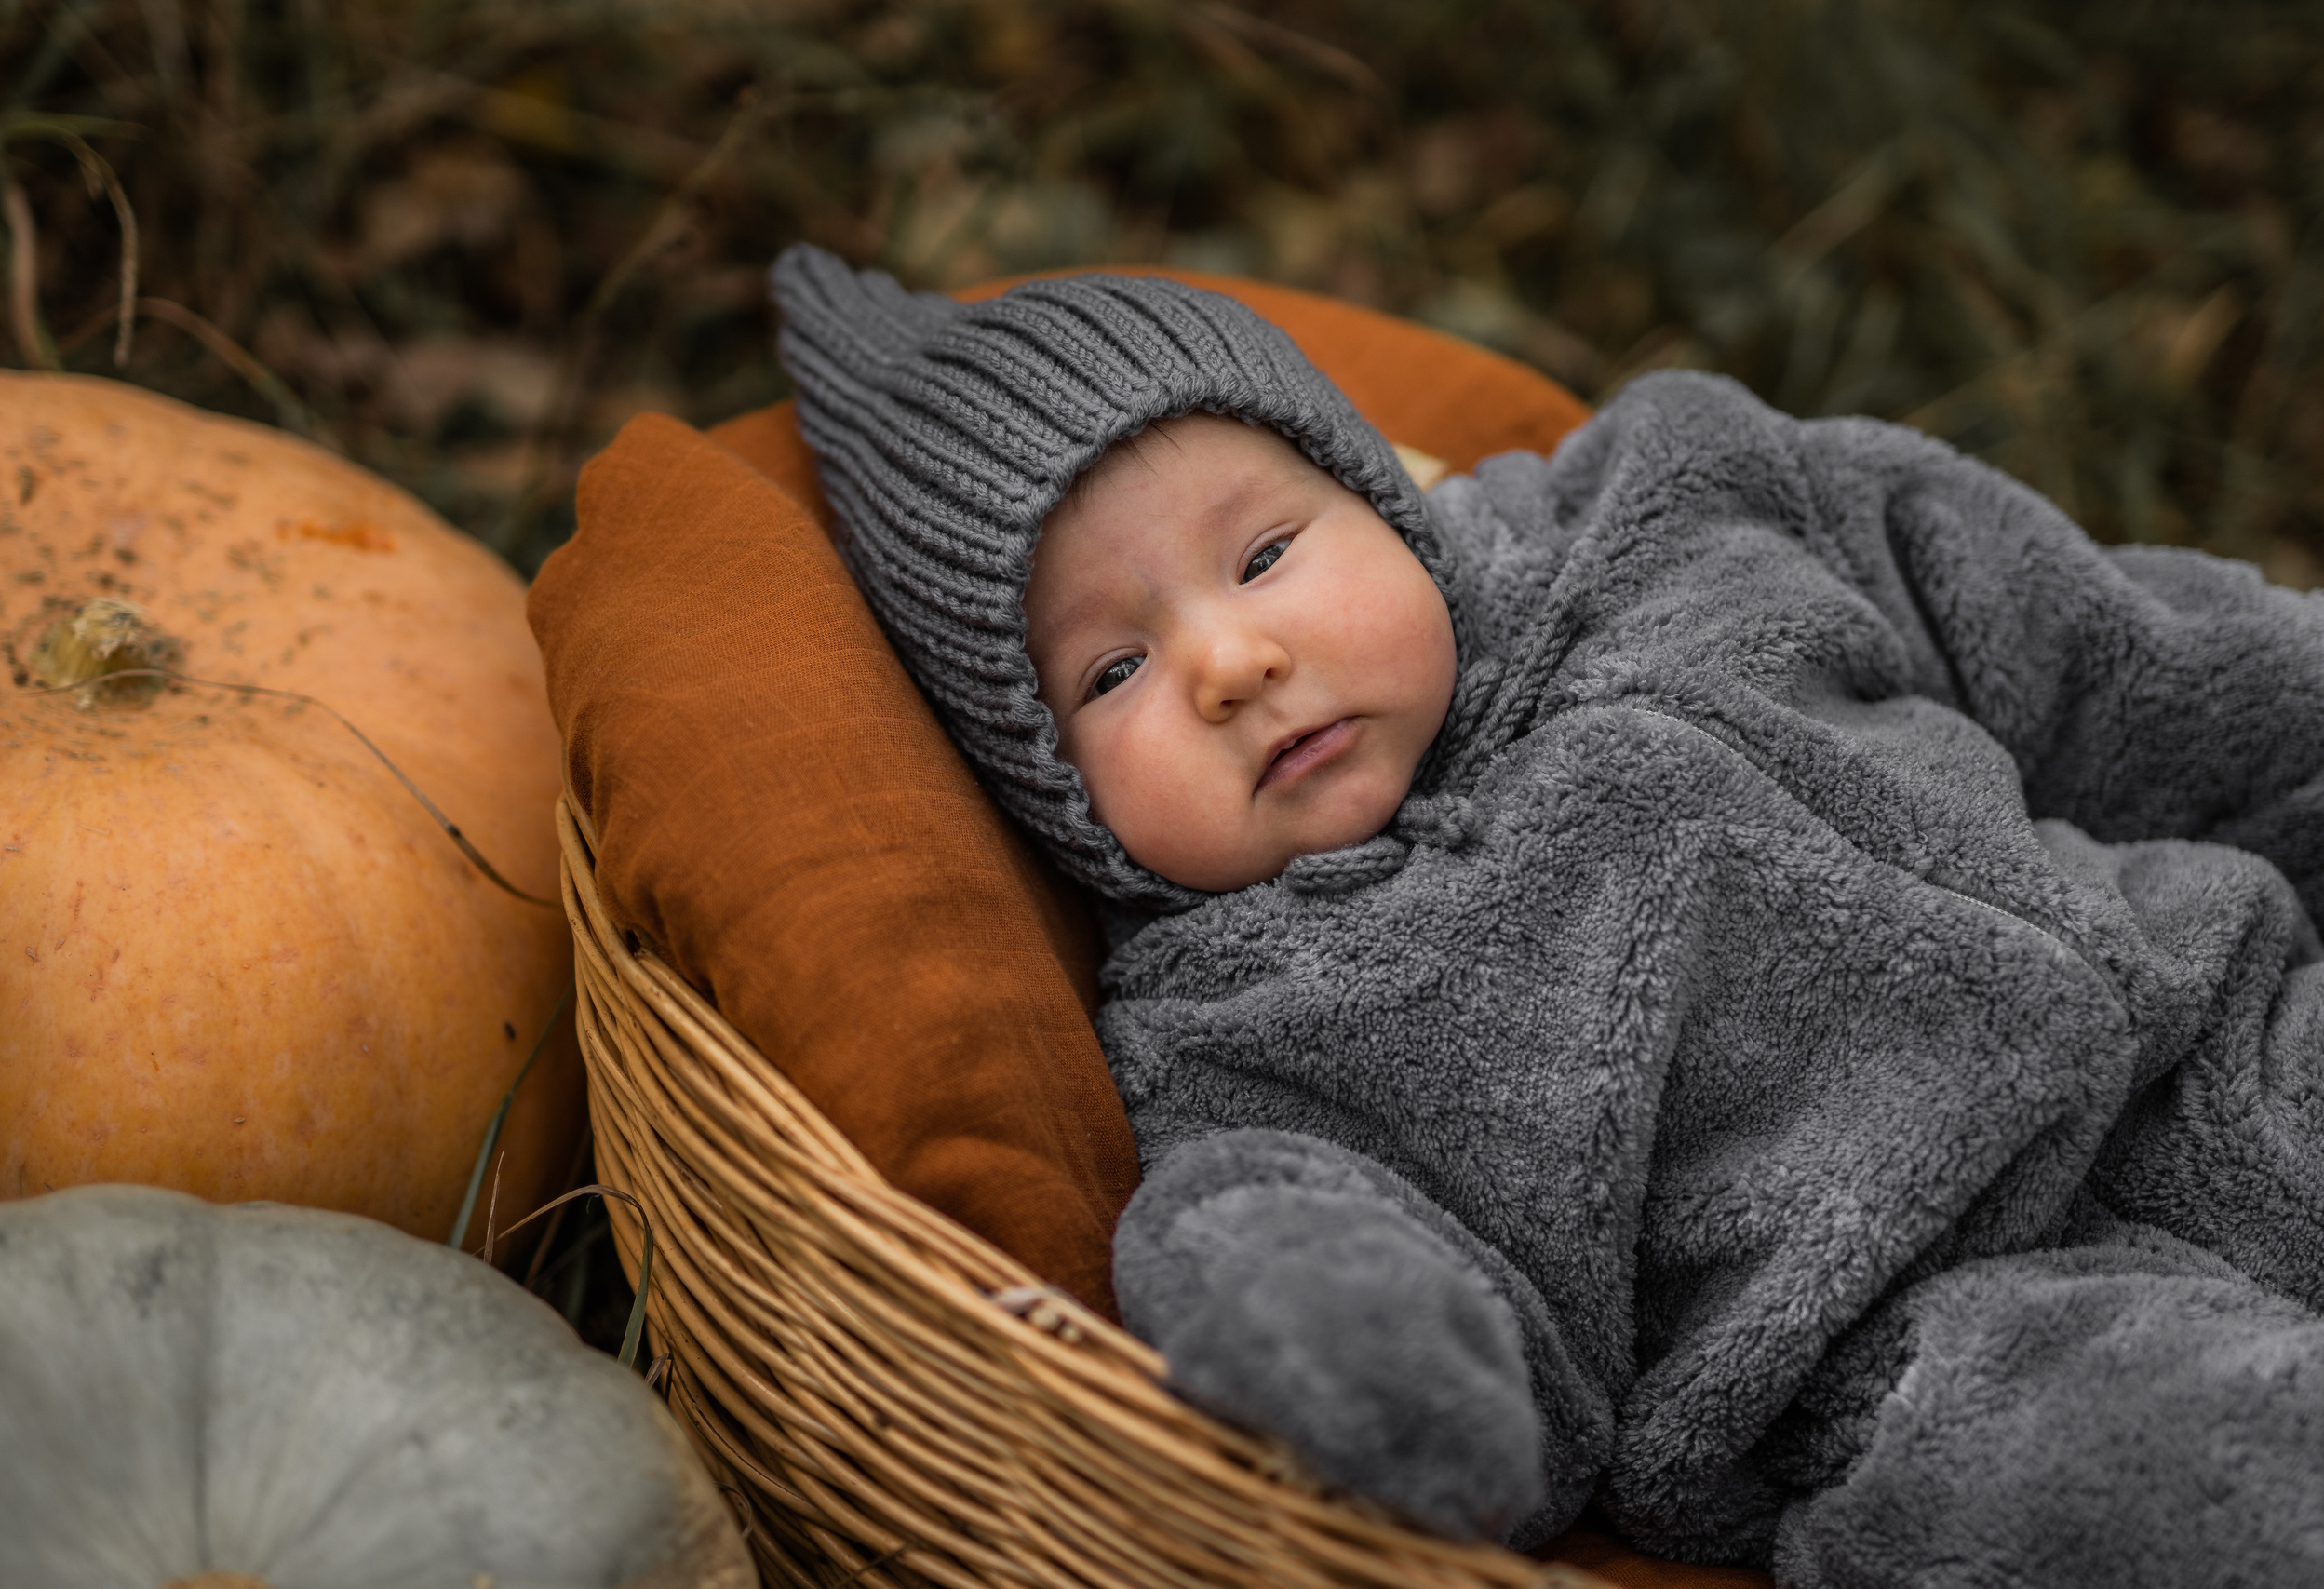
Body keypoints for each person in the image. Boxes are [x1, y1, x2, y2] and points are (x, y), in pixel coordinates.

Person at [771, 242, 2324, 1588]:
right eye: (1112, 671)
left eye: (1264, 554)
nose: (1230, 664)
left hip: (2228, 1029)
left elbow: (2097, 651)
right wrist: (1342, 1318)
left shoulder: (1675, 510)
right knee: (2180, 1475)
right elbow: (1342, 1244)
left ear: (1375, 493)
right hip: (1918, 1335)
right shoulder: (1240, 1021)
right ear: (1050, 791)